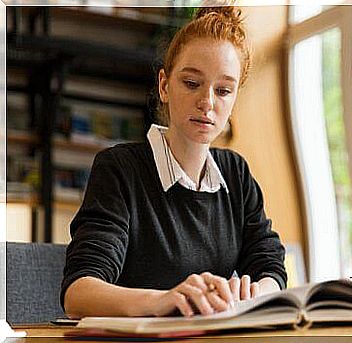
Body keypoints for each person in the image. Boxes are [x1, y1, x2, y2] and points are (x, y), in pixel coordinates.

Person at [61, 6, 287, 319]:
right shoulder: (120, 168)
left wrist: (252, 295)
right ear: (165, 86)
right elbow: (78, 294)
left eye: (223, 90)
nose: (207, 102)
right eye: (192, 83)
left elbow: (272, 271)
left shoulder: (236, 174)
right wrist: (166, 299)